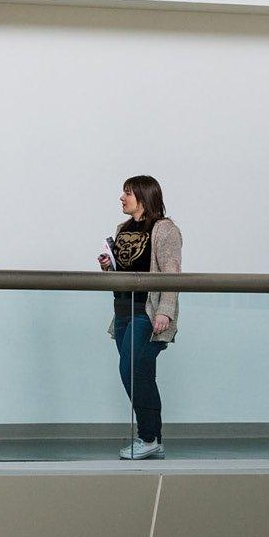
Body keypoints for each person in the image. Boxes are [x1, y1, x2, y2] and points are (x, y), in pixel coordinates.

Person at [98, 175, 181, 460]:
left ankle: (148, 437)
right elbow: (126, 272)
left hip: (147, 312)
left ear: (144, 197)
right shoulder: (122, 228)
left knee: (131, 370)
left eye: (128, 193)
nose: (122, 198)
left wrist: (165, 312)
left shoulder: (164, 229)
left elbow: (171, 273)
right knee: (139, 372)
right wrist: (110, 267)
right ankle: (152, 438)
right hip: (122, 312)